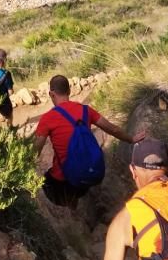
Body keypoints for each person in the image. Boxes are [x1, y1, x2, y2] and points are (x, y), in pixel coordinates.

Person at [33, 74, 142, 208]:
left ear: (51, 94)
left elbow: (36, 149)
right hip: (89, 174)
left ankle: (69, 211)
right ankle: (76, 201)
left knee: (47, 181)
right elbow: (113, 129)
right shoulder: (86, 110)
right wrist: (131, 139)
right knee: (77, 183)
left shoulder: (48, 118)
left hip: (64, 180)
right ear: (69, 91)